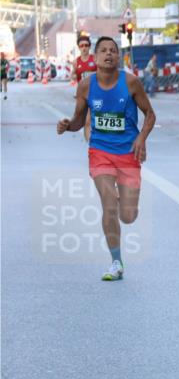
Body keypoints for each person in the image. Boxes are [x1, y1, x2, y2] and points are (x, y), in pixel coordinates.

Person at [55, 36, 155, 281]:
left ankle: (125, 203)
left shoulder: (131, 82)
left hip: (128, 153)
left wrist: (141, 138)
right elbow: (79, 121)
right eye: (104, 50)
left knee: (127, 216)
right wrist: (68, 126)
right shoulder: (86, 86)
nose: (109, 54)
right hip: (100, 152)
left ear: (118, 57)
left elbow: (150, 115)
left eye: (113, 50)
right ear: (96, 57)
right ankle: (116, 262)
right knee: (109, 203)